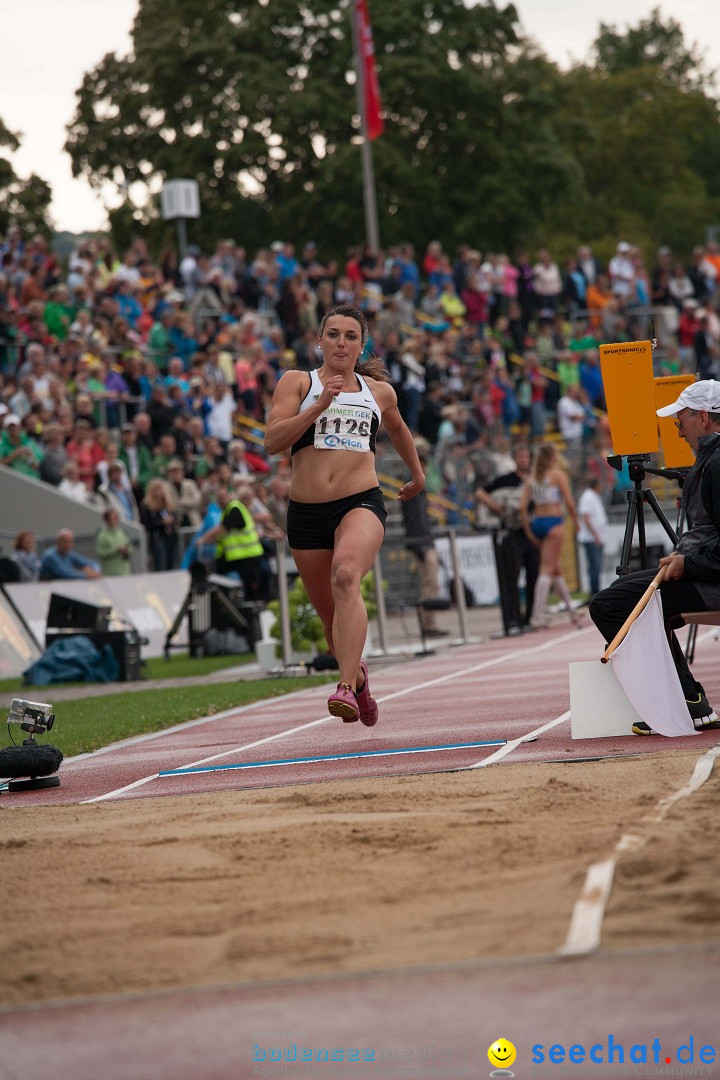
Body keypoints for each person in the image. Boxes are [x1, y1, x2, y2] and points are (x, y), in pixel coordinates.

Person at [264, 304, 425, 725]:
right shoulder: (298, 382)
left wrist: (417, 475)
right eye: (332, 334)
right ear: (319, 341)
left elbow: (398, 428)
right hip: (306, 513)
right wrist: (319, 405)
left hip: (360, 501)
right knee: (333, 626)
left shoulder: (378, 392)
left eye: (350, 336)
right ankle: (358, 676)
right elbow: (272, 441)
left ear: (361, 345)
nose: (340, 342)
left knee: (346, 575)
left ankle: (345, 687)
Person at [590, 381, 720, 735]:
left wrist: (687, 563)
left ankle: (686, 700)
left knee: (612, 603)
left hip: (713, 581)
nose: (678, 433)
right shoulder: (709, 461)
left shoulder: (718, 464)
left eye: (681, 422)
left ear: (704, 418)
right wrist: (682, 556)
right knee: (617, 595)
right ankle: (689, 699)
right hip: (707, 574)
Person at [475, 444, 539, 632]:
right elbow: (480, 492)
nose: (523, 460)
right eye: (520, 457)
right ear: (515, 459)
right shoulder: (505, 480)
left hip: (532, 533)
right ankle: (513, 620)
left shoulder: (536, 480)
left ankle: (530, 618)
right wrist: (496, 508)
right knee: (512, 577)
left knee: (534, 576)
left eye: (526, 457)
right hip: (513, 532)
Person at [519, 442, 582, 628]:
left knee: (555, 569)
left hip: (538, 522)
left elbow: (522, 508)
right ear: (552, 457)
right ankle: (536, 616)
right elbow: (569, 501)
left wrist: (529, 531)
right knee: (546, 569)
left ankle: (571, 611)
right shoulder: (557, 475)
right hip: (554, 522)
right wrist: (576, 521)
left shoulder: (532, 478)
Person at [400, 443, 449, 638]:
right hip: (421, 540)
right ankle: (427, 623)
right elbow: (413, 520)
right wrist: (419, 542)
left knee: (430, 582)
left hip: (423, 539)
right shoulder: (411, 486)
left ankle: (429, 622)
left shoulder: (419, 487)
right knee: (429, 583)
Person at [577, 476, 607, 598]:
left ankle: (596, 591)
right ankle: (594, 593)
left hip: (596, 538)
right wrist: (596, 536)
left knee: (597, 566)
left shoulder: (594, 497)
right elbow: (586, 517)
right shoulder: (588, 497)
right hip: (591, 538)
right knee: (594, 566)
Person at [96, 508, 132, 576]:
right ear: (106, 520)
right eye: (112, 519)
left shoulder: (122, 533)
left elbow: (130, 547)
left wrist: (126, 550)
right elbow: (101, 553)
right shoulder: (102, 535)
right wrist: (116, 550)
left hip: (126, 572)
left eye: (116, 518)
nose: (114, 521)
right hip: (111, 574)